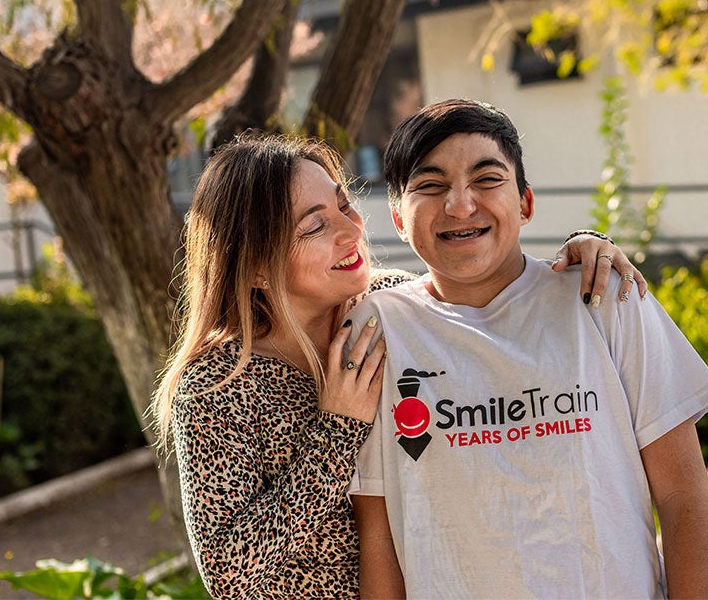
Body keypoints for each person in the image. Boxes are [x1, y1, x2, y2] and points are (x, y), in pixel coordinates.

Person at [150, 132, 648, 598]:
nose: (351, 230)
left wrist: (582, 250)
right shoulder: (217, 388)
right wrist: (337, 433)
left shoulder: (393, 308)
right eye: (316, 226)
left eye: (343, 205)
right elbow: (228, 574)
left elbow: (498, 305)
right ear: (255, 265)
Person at [349, 99, 708, 599]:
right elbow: (378, 536)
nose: (460, 205)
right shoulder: (376, 331)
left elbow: (684, 497)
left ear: (525, 203)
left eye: (487, 180)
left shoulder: (604, 298)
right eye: (430, 185)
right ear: (398, 217)